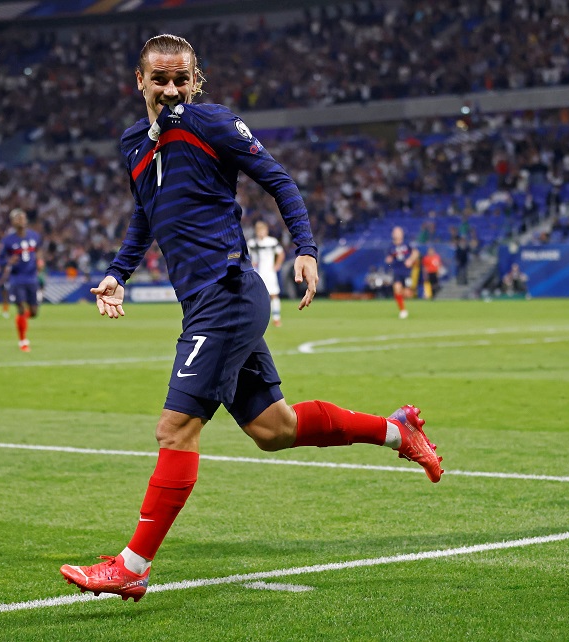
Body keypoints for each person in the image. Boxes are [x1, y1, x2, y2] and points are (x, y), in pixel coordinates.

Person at [60, 34, 443, 603]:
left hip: (228, 294)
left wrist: (306, 248)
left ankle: (133, 566)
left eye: (181, 79)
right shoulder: (133, 143)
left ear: (195, 81)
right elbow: (146, 214)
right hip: (205, 302)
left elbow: (279, 179)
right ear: (139, 82)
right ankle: (396, 430)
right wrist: (119, 272)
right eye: (159, 79)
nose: (170, 90)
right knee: (274, 430)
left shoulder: (212, 123)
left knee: (175, 428)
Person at [0, 208, 41, 352]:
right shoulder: (7, 240)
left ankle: (21, 321)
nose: (21, 220)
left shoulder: (34, 236)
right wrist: (8, 261)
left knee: (34, 312)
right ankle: (23, 341)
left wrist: (40, 261)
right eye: (18, 218)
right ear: (13, 222)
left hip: (32, 277)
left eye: (23, 218)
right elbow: (0, 259)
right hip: (17, 278)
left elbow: (39, 251)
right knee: (21, 308)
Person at [247, 220, 285, 326]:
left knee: (273, 294)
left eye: (262, 230)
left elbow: (281, 253)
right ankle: (257, 319)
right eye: (259, 230)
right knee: (256, 296)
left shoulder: (272, 242)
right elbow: (246, 256)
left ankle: (276, 318)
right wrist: (250, 264)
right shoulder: (251, 243)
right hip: (257, 273)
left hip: (269, 272)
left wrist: (277, 265)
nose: (261, 233)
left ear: (266, 231)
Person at [385, 225, 418, 318]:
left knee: (408, 293)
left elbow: (416, 253)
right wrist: (389, 261)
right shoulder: (391, 246)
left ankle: (408, 297)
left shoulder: (407, 244)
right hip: (397, 271)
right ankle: (403, 310)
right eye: (395, 232)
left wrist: (410, 260)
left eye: (398, 232)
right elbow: (389, 259)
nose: (396, 234)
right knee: (396, 288)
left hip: (407, 271)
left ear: (402, 234)